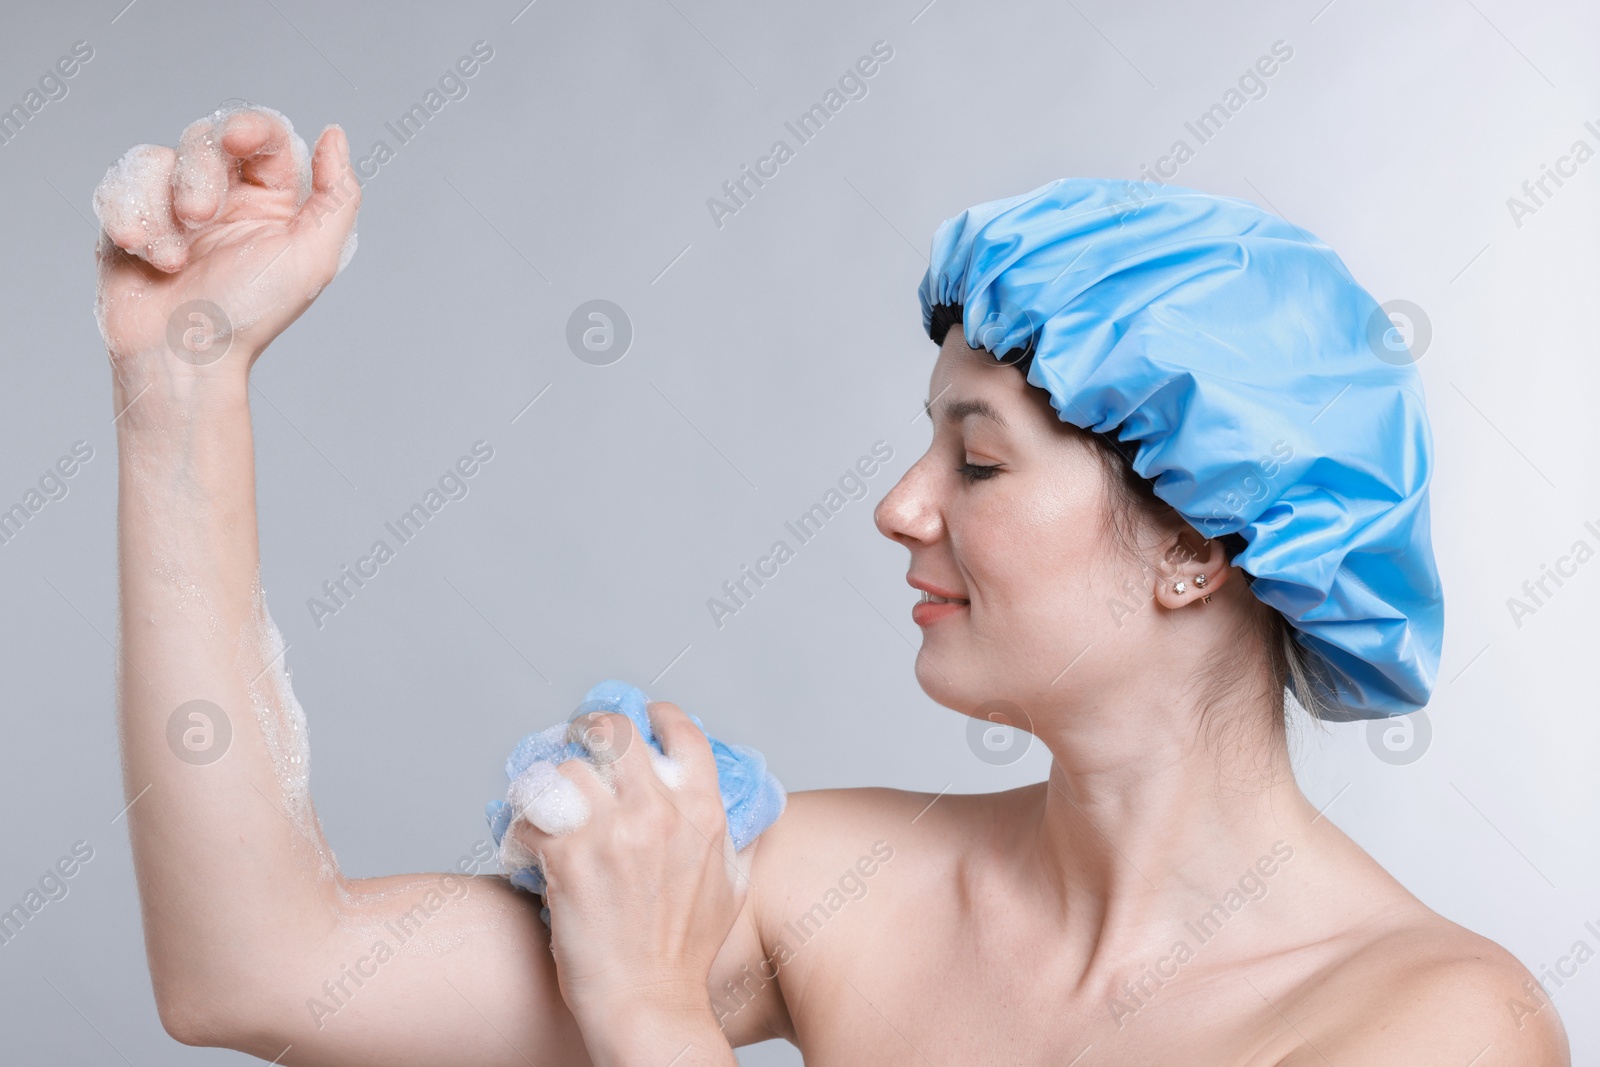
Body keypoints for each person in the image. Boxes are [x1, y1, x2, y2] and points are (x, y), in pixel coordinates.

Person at [97, 105, 1569, 1066]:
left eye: (977, 464)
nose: (899, 506)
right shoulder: (845, 894)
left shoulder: (1435, 1026)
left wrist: (658, 1020)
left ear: (1199, 541)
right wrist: (182, 386)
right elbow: (260, 967)